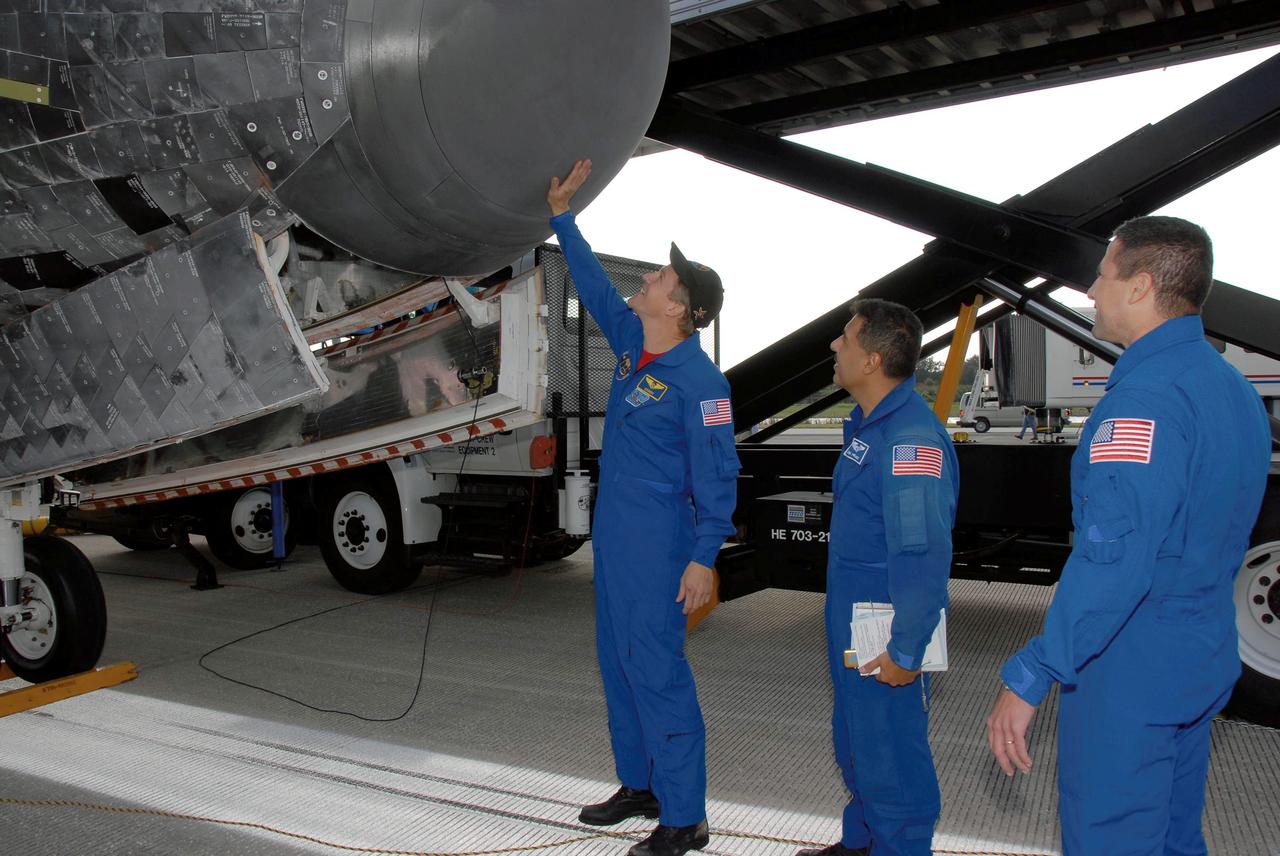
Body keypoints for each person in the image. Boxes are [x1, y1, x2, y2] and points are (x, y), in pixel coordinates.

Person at [986, 216, 1272, 855]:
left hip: (1130, 663)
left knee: (1111, 838)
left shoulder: (1144, 400)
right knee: (1172, 835)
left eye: (1103, 273)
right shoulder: (1232, 389)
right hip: (1199, 652)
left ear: (1141, 287)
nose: (1091, 290)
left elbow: (1115, 559)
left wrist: (1035, 670)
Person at [546, 159, 739, 856]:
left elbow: (720, 480)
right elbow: (595, 288)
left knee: (657, 672)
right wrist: (562, 217)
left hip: (661, 548)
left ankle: (685, 817)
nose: (649, 279)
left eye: (661, 278)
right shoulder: (634, 351)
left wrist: (703, 558)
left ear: (681, 310)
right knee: (619, 663)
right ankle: (642, 785)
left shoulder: (702, 383)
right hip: (618, 541)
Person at [799, 298, 958, 856]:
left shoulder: (910, 439)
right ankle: (863, 841)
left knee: (891, 753)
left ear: (871, 360)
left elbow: (920, 555)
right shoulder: (872, 425)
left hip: (887, 617)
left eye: (845, 338)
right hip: (854, 611)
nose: (834, 346)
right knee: (858, 743)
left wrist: (907, 648)